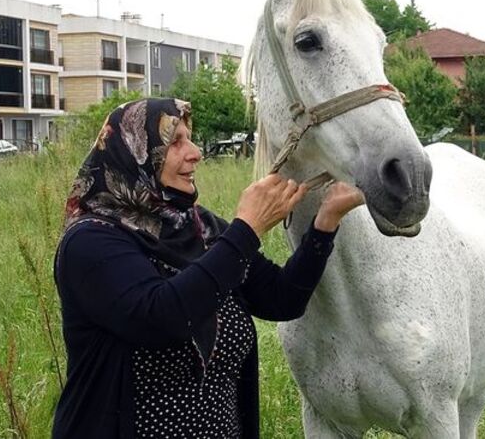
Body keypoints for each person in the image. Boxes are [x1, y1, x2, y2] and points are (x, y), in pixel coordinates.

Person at [52, 98, 364, 438]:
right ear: (135, 153)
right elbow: (161, 317)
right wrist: (247, 230)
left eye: (190, 138)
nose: (196, 152)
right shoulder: (90, 241)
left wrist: (325, 222)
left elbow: (282, 298)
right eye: (175, 142)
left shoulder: (200, 227)